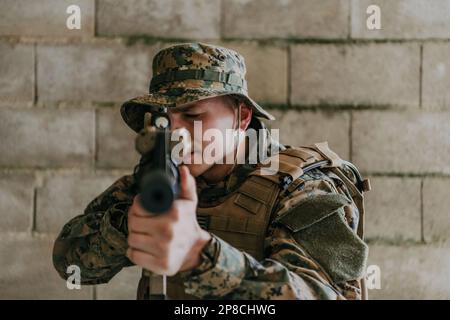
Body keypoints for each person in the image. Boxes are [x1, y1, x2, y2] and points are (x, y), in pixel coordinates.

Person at [53, 42, 369, 300]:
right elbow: (70, 266)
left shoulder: (300, 186)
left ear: (242, 117)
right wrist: (127, 228)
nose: (176, 135)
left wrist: (199, 255)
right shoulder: (158, 177)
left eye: (192, 115)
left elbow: (321, 294)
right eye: (164, 119)